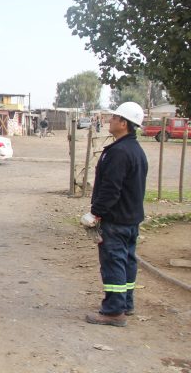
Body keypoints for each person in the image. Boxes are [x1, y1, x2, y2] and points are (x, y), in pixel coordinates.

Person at [85, 101, 148, 327]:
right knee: (127, 262)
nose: (109, 121)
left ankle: (113, 312)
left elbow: (111, 189)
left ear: (124, 123)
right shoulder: (135, 150)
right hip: (130, 219)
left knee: (114, 264)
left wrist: (95, 213)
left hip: (116, 220)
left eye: (113, 118)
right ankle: (126, 303)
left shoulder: (119, 152)